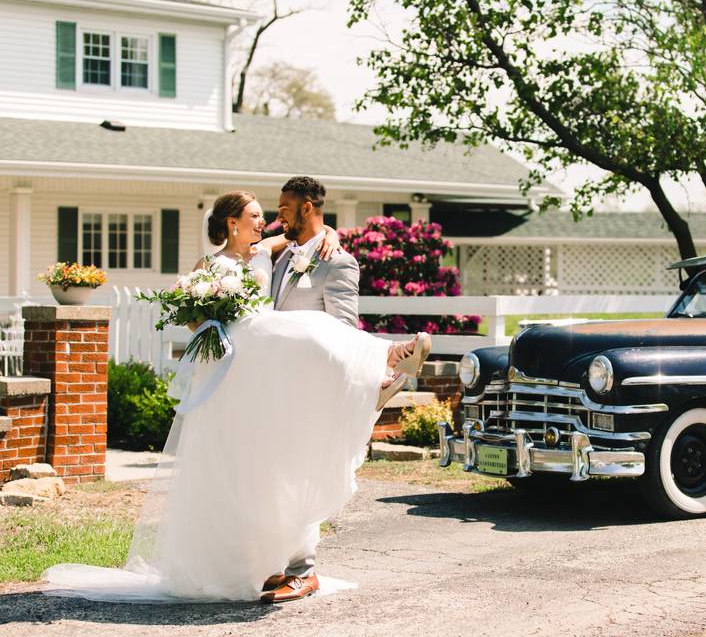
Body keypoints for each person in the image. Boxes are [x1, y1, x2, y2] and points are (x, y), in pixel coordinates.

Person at [42, 186, 431, 604]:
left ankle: (382, 365)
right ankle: (380, 364)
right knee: (244, 455)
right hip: (238, 360)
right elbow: (190, 315)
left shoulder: (265, 250)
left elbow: (313, 229)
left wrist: (333, 233)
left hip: (266, 361)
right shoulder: (209, 265)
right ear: (232, 222)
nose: (266, 222)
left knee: (307, 332)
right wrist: (214, 325)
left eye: (270, 214)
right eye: (257, 215)